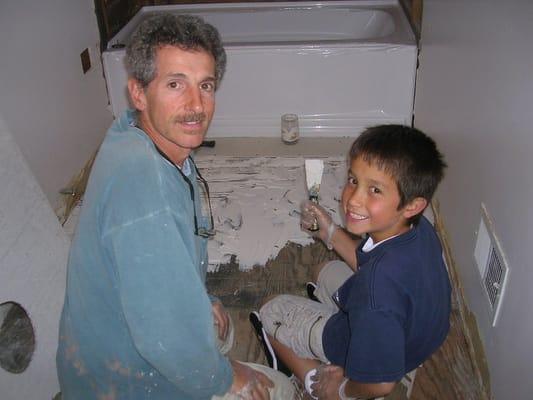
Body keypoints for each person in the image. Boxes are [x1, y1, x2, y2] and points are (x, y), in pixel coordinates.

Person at [56, 14, 295, 400]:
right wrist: (224, 377)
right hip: (125, 379)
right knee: (280, 390)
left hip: (110, 341)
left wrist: (200, 301)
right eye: (175, 85)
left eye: (206, 86)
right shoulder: (144, 195)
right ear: (138, 92)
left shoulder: (136, 136)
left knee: (221, 328)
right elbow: (164, 332)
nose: (196, 106)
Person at [250, 125, 451, 399]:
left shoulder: (375, 291)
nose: (353, 199)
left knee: (270, 309)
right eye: (354, 180)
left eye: (375, 190)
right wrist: (329, 231)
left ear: (412, 205)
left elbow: (382, 384)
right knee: (324, 270)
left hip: (370, 356)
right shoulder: (419, 228)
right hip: (415, 337)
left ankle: (314, 382)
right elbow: (373, 266)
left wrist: (342, 388)